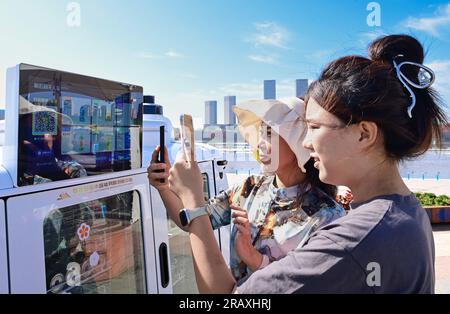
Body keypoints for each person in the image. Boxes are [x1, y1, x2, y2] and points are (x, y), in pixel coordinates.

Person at [168, 34, 448, 293]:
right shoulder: (405, 213)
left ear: (364, 134)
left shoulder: (348, 239)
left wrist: (192, 198)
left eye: (314, 127)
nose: (305, 142)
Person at [148, 97, 345, 281]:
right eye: (261, 133)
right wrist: (163, 187)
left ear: (297, 142)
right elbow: (193, 221)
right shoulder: (249, 187)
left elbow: (310, 285)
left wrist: (256, 260)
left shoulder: (328, 217)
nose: (259, 143)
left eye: (269, 134)